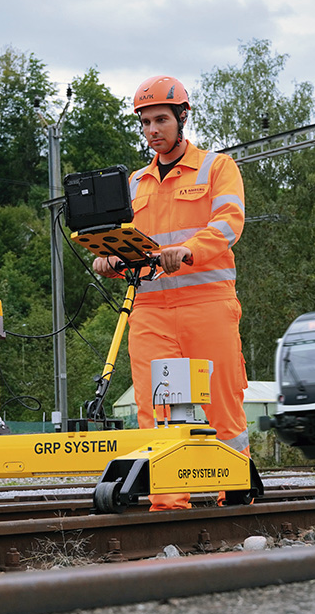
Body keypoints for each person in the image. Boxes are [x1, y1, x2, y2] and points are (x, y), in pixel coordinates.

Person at [92, 75, 247, 510]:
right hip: (150, 308)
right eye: (145, 123)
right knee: (155, 410)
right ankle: (166, 505)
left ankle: (233, 497)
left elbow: (227, 223)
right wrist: (109, 260)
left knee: (224, 408)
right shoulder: (135, 183)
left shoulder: (216, 168)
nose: (152, 130)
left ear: (183, 117)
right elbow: (126, 244)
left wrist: (189, 250)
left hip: (207, 304)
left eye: (161, 119)